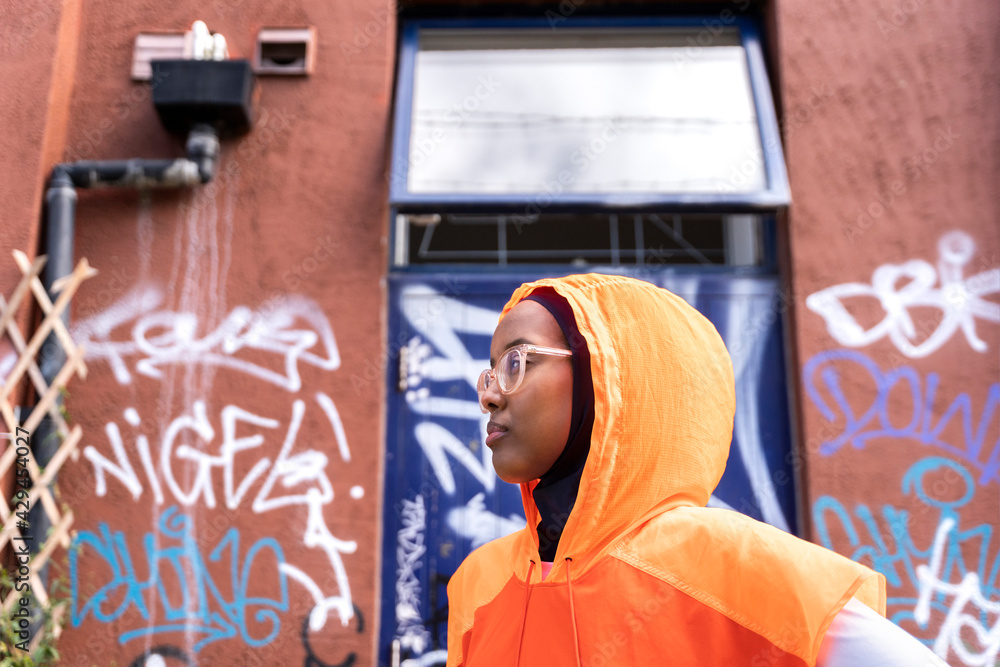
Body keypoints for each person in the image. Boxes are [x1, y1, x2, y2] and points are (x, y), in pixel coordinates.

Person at [446, 273, 945, 666]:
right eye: (489, 372)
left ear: (610, 377)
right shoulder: (478, 583)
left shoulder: (741, 571)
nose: (489, 395)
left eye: (517, 362)